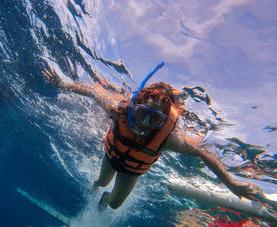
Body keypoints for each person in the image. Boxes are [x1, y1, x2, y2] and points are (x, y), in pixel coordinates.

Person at [42, 64, 266, 210]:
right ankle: (93, 193)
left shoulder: (167, 139)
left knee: (115, 205)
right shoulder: (118, 110)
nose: (145, 125)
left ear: (163, 121)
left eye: (155, 120)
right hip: (112, 156)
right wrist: (63, 85)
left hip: (132, 170)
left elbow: (203, 153)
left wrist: (231, 183)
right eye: (141, 114)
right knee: (101, 181)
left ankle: (104, 199)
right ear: (134, 109)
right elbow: (92, 91)